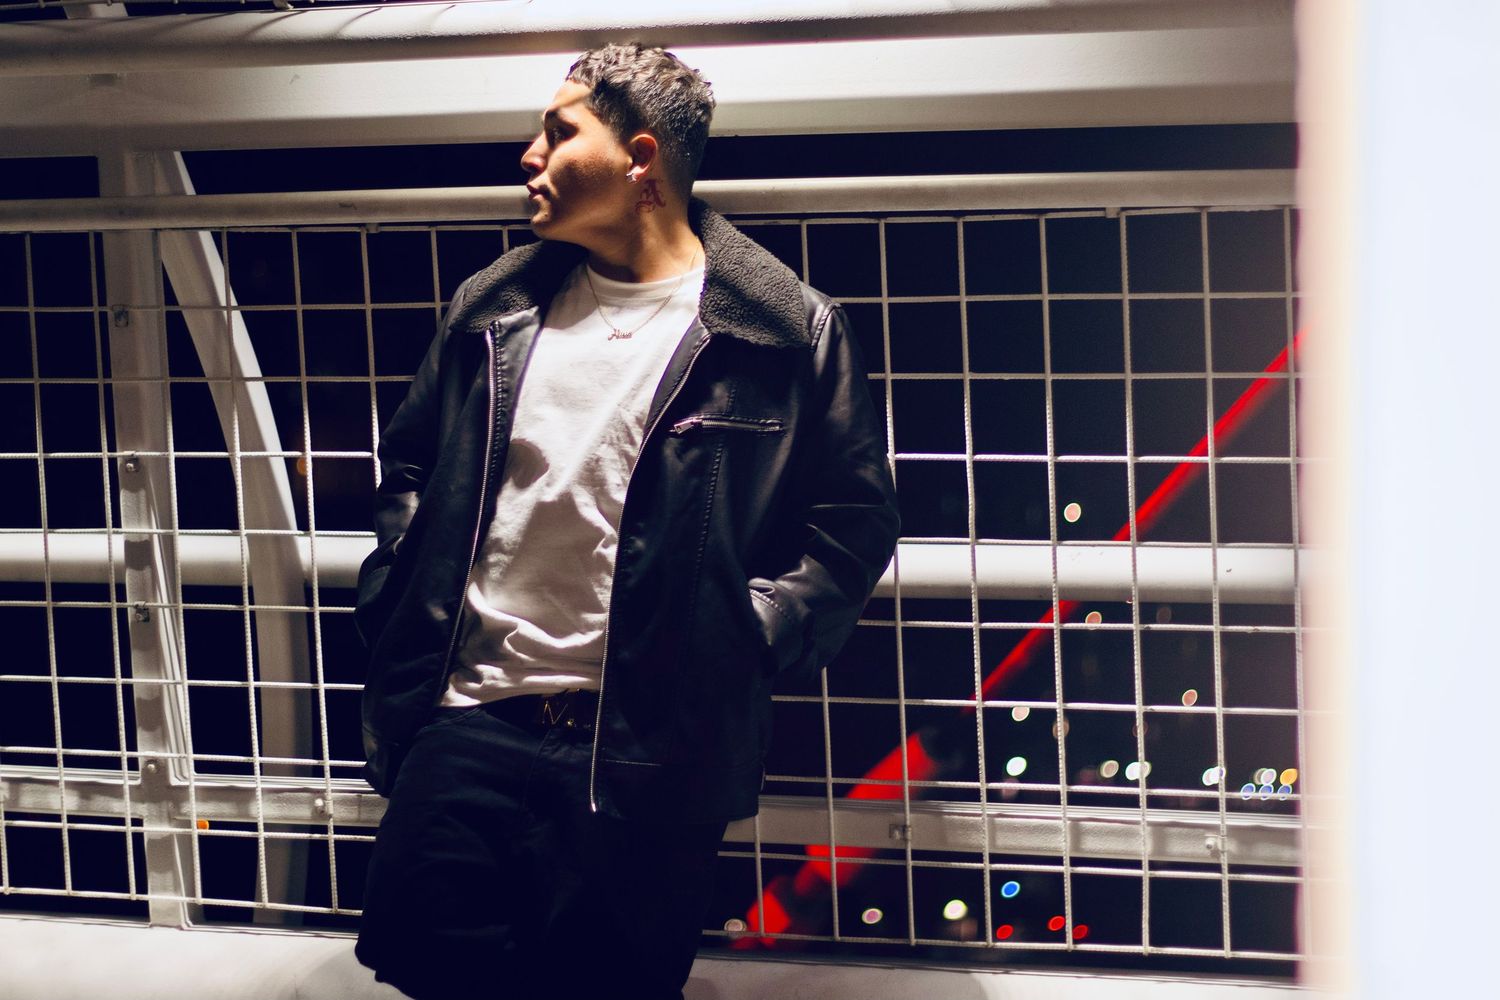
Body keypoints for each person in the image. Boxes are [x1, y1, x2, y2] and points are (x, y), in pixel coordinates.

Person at [352, 42, 899, 1000]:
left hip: (653, 745)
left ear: (641, 158)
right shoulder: (493, 309)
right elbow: (409, 468)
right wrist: (397, 576)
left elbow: (850, 525)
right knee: (430, 968)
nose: (530, 156)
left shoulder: (786, 329)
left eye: (559, 132)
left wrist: (744, 634)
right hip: (468, 716)